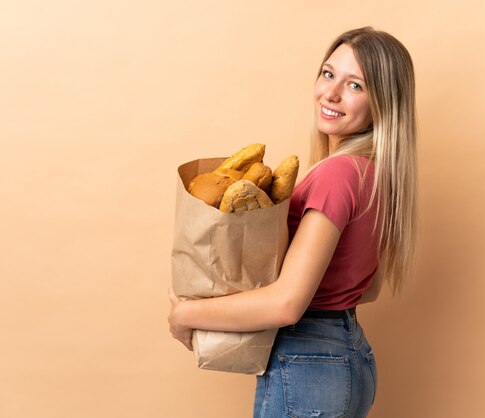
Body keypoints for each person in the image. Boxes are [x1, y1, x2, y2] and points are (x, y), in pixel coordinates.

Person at [168, 26, 418, 417]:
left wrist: (185, 313)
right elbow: (367, 289)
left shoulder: (336, 175)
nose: (331, 94)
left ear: (384, 102)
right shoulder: (377, 173)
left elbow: (287, 304)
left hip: (309, 362)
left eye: (355, 85)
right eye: (328, 73)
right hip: (350, 357)